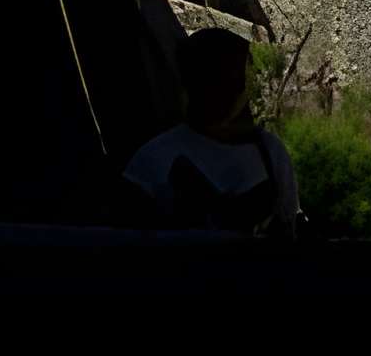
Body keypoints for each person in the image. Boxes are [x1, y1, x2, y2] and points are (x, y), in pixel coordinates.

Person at [120, 27, 299, 237]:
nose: (232, 90)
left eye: (238, 79)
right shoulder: (151, 160)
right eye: (218, 78)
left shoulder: (270, 151)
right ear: (191, 82)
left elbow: (289, 228)